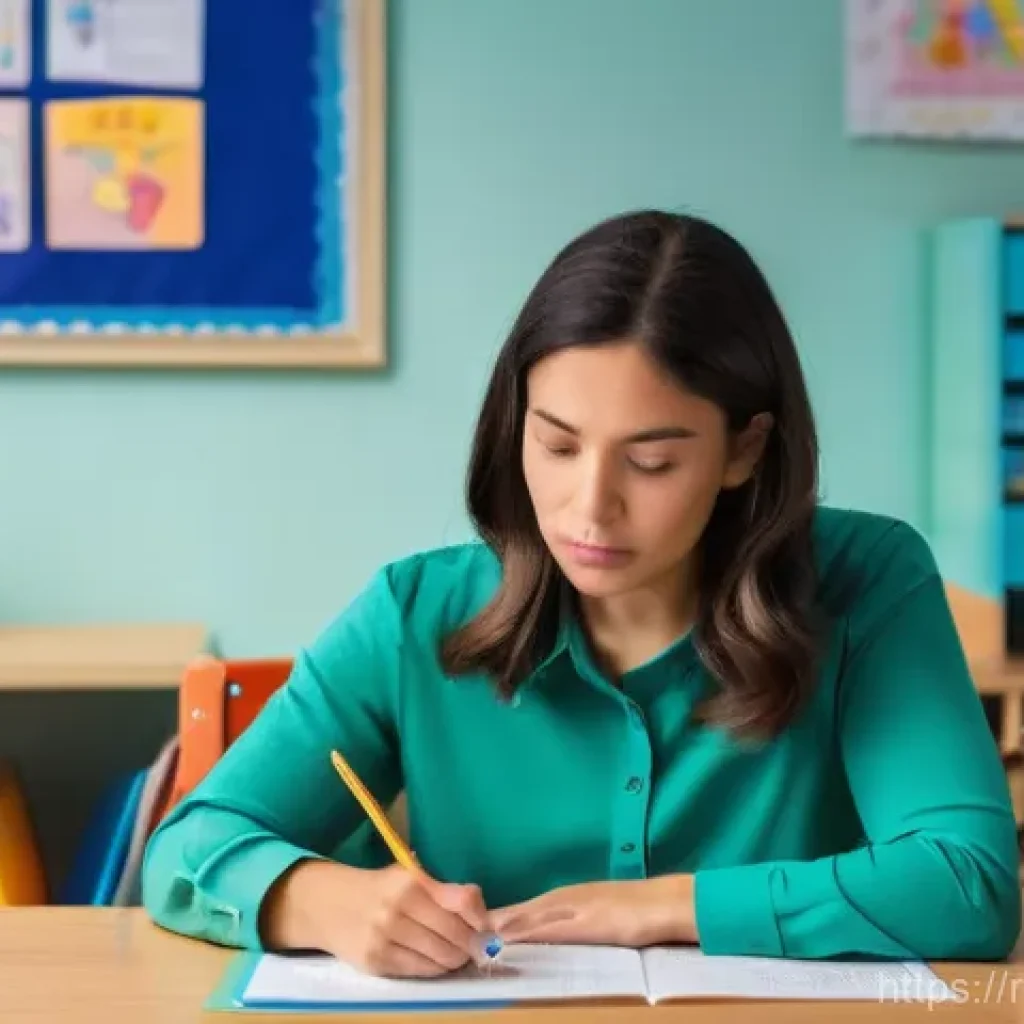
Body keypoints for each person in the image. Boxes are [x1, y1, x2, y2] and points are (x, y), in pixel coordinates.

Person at [142, 209, 1021, 977]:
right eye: (557, 446)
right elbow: (187, 848)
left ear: (745, 451)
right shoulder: (416, 613)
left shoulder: (867, 582)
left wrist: (673, 907)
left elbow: (968, 882)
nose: (588, 506)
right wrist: (320, 900)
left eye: (652, 461)